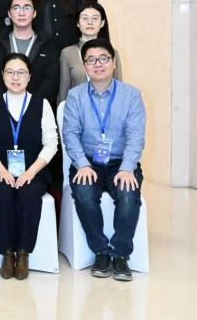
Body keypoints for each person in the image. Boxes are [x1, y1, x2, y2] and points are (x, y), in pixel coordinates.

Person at [62, 38, 146, 282]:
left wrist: (128, 168)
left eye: (103, 59)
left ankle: (120, 254)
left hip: (121, 163)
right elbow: (70, 134)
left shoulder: (131, 95)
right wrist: (82, 164)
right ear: (85, 66)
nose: (97, 64)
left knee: (128, 196)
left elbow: (136, 136)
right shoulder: (75, 96)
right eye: (91, 60)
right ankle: (100, 250)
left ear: (113, 62)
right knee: (84, 194)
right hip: (87, 162)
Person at [0, 53, 58, 280]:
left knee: (28, 194)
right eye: (10, 72)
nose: (15, 77)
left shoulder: (42, 104)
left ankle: (23, 253)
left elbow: (51, 143)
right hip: (0, 169)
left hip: (35, 170)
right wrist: (0, 169)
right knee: (2, 194)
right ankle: (6, 252)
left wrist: (31, 171)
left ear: (29, 76)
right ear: (2, 75)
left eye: (21, 72)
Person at [0, 0, 61, 107]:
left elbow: (51, 81)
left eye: (27, 8)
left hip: (37, 108)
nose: (21, 13)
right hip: (2, 108)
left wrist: (32, 106)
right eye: (16, 8)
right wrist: (4, 104)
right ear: (9, 14)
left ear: (34, 13)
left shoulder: (47, 45)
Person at [58, 2, 123, 102]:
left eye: (95, 18)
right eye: (85, 18)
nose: (90, 22)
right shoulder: (67, 53)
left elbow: (118, 88)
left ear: (102, 23)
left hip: (107, 109)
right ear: (78, 23)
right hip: (77, 109)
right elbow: (63, 91)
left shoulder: (112, 52)